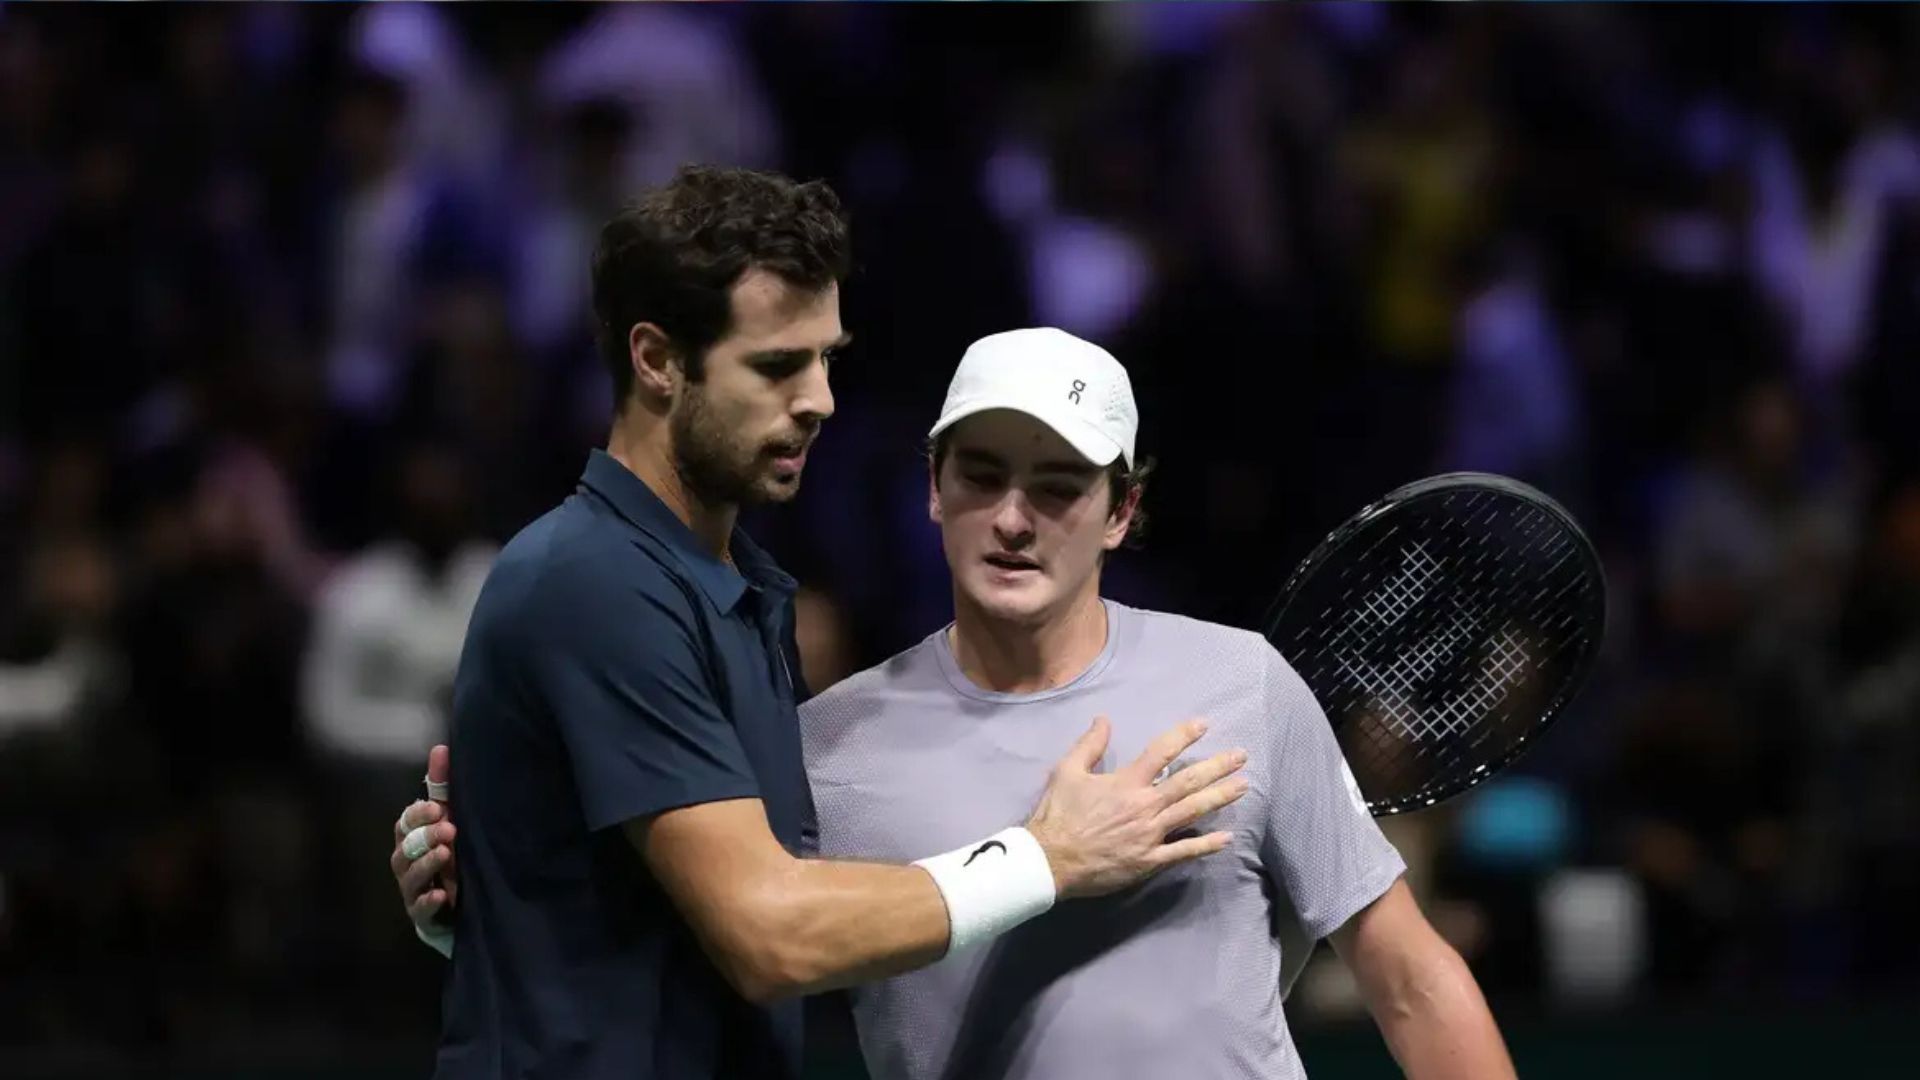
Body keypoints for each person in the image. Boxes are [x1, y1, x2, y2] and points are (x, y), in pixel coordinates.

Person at [398, 322, 1518, 1078]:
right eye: (981, 476)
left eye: (1061, 485)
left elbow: (1408, 974)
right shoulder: (823, 753)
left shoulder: (1245, 687)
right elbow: (690, 954)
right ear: (933, 489)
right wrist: (481, 912)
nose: (1015, 519)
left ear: (1123, 511)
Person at [400, 165, 1250, 1080]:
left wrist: (497, 910)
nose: (819, 399)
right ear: (655, 361)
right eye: (775, 365)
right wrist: (1046, 857)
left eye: (826, 358)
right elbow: (770, 934)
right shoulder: (593, 581)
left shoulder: (735, 588)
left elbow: (679, 915)